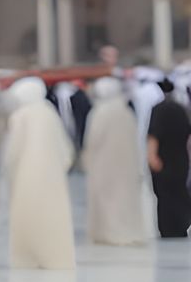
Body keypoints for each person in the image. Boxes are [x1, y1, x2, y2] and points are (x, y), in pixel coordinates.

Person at [3, 76, 77, 270]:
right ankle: (53, 256)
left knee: (28, 215)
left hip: (26, 176)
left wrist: (10, 171)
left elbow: (13, 151)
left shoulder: (20, 116)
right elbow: (66, 151)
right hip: (53, 177)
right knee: (52, 217)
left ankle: (29, 256)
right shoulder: (49, 113)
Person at [82, 76, 148, 246]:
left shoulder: (99, 112)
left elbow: (93, 140)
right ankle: (126, 231)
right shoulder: (125, 112)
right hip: (127, 165)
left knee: (107, 200)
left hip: (104, 165)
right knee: (125, 200)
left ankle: (108, 233)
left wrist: (87, 160)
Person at [146, 78, 191, 239]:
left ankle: (168, 227)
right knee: (179, 192)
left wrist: (152, 156)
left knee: (164, 195)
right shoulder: (182, 109)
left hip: (163, 159)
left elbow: (154, 135)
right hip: (181, 159)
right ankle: (181, 224)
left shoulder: (158, 109)